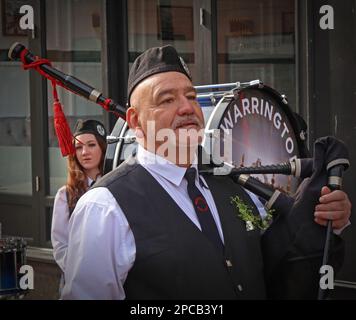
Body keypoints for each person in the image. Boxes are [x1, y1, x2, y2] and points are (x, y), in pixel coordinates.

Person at [61, 45, 351, 300]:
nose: (188, 107)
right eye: (167, 100)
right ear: (135, 121)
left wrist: (325, 220)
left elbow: (279, 267)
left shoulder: (231, 185)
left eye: (190, 96)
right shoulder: (105, 207)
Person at [51, 119, 107, 292]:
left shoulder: (115, 187)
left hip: (111, 277)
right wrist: (79, 271)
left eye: (91, 145)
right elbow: (60, 244)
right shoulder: (65, 195)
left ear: (102, 149)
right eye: (79, 147)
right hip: (77, 281)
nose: (85, 152)